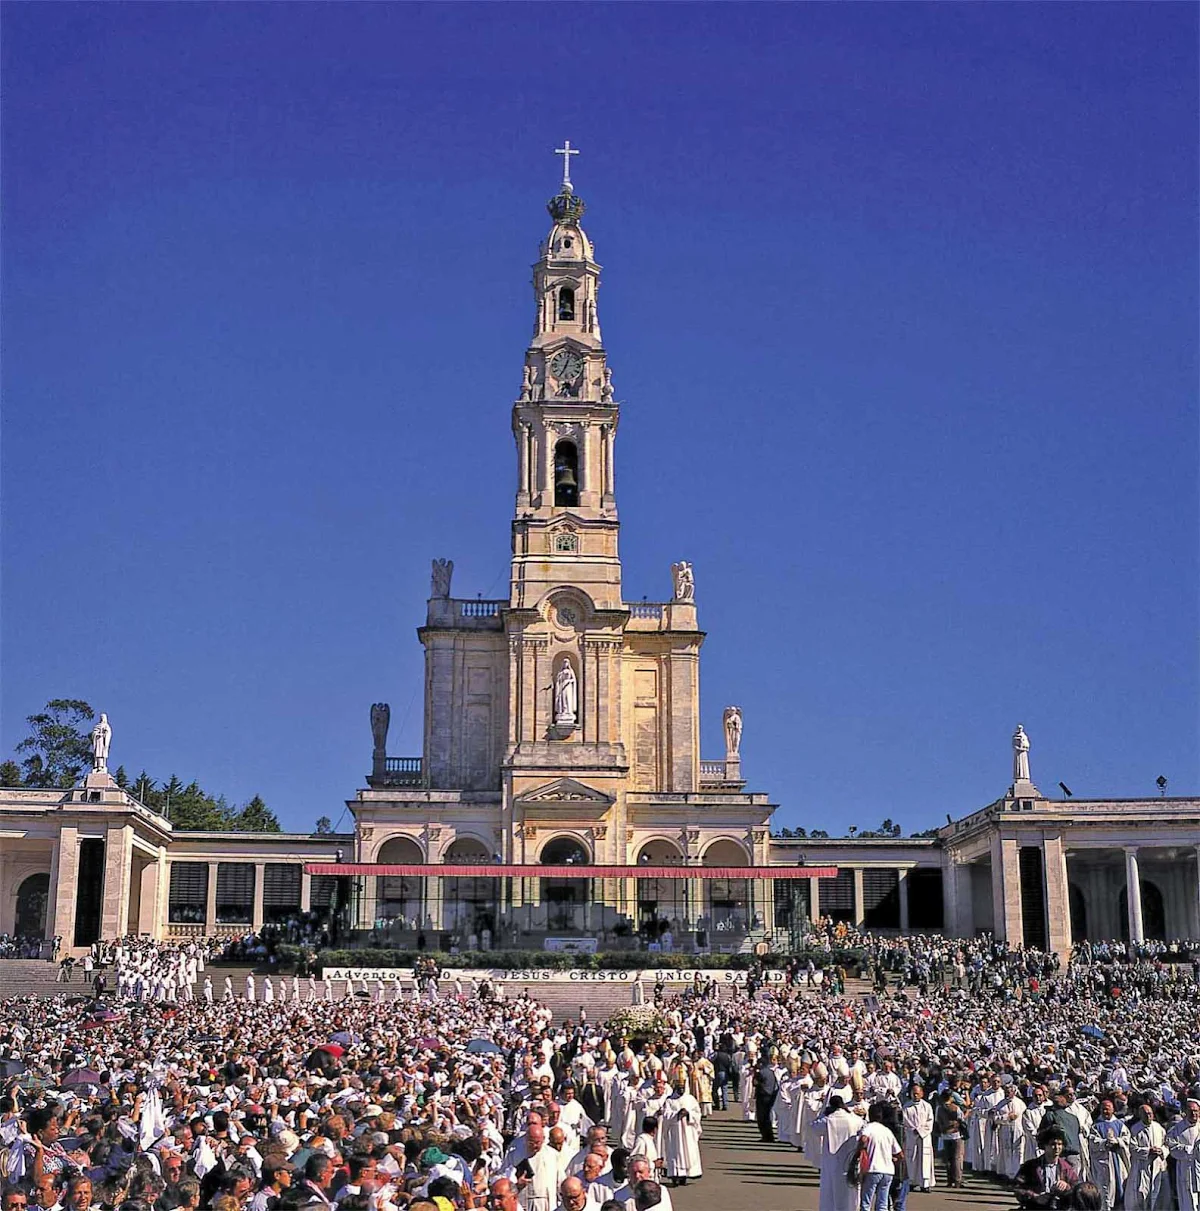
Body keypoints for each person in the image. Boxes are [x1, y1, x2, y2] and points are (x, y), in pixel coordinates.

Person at [1014, 1127, 1081, 1209]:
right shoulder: (1030, 1166)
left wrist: (1067, 1186)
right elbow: (1018, 1189)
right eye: (1053, 1144)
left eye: (1059, 1144)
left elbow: (1078, 1188)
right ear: (1044, 1145)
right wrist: (1035, 1197)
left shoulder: (1066, 1168)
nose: (1057, 1147)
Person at [816, 1096, 861, 1211]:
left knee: (831, 1188)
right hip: (850, 1158)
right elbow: (863, 1126)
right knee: (849, 1189)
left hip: (832, 1160)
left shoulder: (828, 1119)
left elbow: (813, 1127)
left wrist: (823, 1114)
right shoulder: (854, 1118)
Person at [855, 1102, 901, 1211]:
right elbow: (899, 1153)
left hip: (873, 1169)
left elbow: (863, 1139)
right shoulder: (887, 1131)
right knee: (882, 1203)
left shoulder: (868, 1127)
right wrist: (894, 1160)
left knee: (866, 1202)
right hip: (888, 1171)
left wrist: (859, 1150)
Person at [660, 1082, 701, 1186]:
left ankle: (686, 1176)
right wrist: (677, 1114)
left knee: (688, 1152)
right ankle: (675, 1176)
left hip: (688, 1130)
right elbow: (665, 1114)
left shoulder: (690, 1099)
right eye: (679, 1088)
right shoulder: (669, 1100)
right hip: (675, 1132)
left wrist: (688, 1113)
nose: (681, 1090)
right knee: (676, 1153)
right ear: (675, 1088)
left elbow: (697, 1112)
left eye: (683, 1088)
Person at [901, 1085, 935, 1193]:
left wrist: (920, 1131)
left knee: (925, 1159)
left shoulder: (927, 1106)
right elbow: (905, 1121)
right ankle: (912, 1182)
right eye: (914, 1093)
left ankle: (925, 1184)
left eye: (917, 1093)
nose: (915, 1095)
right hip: (912, 1136)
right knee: (912, 1159)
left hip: (924, 1137)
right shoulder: (906, 1107)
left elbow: (930, 1121)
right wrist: (913, 1130)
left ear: (922, 1093)